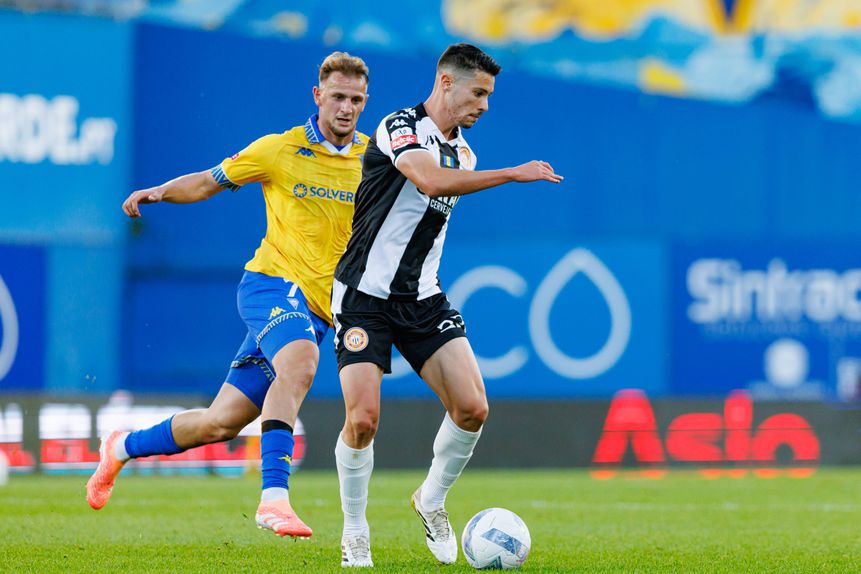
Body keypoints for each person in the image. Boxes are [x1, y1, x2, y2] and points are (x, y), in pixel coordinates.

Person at [86, 52, 370, 540]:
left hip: (321, 308)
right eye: (338, 97)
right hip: (271, 284)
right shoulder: (278, 150)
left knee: (220, 423)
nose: (346, 108)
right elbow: (207, 181)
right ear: (317, 96)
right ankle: (274, 499)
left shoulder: (374, 157)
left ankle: (120, 447)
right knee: (300, 364)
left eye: (357, 100)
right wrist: (157, 192)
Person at [330, 43, 563, 567]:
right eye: (478, 93)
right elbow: (428, 178)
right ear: (445, 83)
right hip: (364, 297)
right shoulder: (399, 126)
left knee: (473, 407)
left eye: (488, 95)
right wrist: (513, 173)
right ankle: (355, 530)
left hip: (423, 299)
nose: (484, 105)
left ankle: (430, 500)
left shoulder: (467, 154)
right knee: (364, 419)